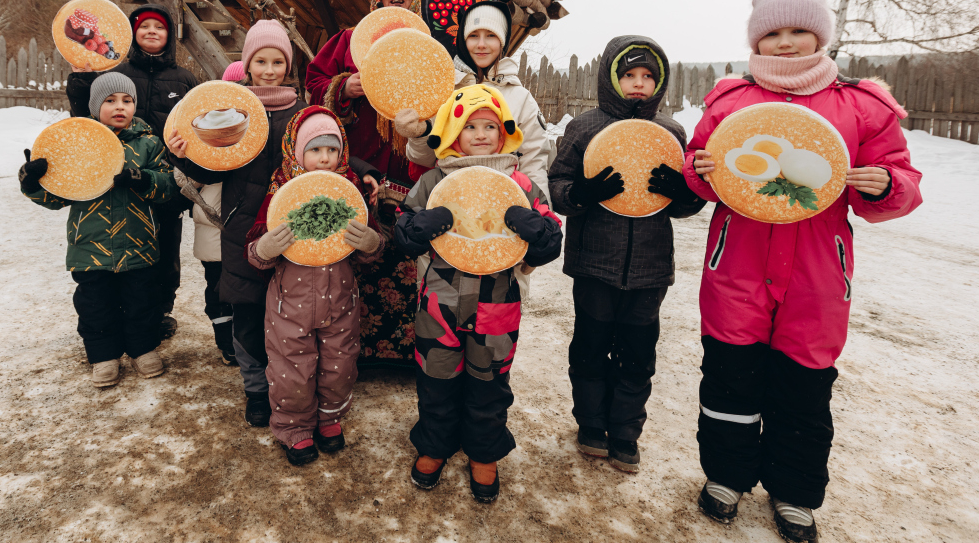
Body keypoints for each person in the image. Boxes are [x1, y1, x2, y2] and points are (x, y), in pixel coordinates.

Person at [685, 0, 922, 542]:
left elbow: (902, 178)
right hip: (737, 266)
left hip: (816, 276)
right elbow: (699, 167)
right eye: (773, 32)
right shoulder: (730, 102)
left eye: (798, 31)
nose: (786, 42)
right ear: (756, 38)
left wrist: (885, 182)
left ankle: (794, 490)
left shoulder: (863, 105)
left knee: (804, 384)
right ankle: (727, 475)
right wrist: (703, 171)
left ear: (821, 34)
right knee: (729, 378)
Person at [393, 85, 563, 503]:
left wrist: (535, 228)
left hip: (498, 303)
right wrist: (420, 225)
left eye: (490, 125)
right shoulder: (434, 180)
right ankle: (435, 445)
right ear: (452, 133)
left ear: (505, 133)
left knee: (490, 382)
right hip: (440, 302)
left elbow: (550, 240)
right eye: (471, 126)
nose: (482, 133)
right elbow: (403, 231)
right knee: (436, 378)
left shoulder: (519, 183)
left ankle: (484, 453)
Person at [546, 36, 705, 473]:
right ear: (612, 79)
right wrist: (583, 192)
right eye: (629, 75)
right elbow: (557, 187)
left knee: (638, 353)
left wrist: (683, 194)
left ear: (659, 84)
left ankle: (625, 432)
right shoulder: (585, 127)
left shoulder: (670, 133)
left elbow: (691, 199)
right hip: (595, 262)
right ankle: (592, 425)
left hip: (650, 268)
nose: (638, 84)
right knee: (592, 346)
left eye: (648, 77)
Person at [167, 21, 307, 428]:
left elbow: (325, 148)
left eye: (277, 61)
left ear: (288, 65)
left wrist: (364, 172)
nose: (269, 69)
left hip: (290, 229)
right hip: (241, 228)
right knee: (247, 315)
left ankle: (288, 389)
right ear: (246, 64)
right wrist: (183, 156)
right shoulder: (230, 109)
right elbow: (210, 170)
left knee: (290, 316)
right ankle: (256, 390)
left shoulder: (301, 111)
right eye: (260, 60)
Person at [305, 0, 427, 365]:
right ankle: (354, 352)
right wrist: (344, 86)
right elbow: (314, 82)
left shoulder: (427, 44)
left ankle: (403, 352)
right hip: (358, 168)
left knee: (404, 253)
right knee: (355, 250)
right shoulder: (348, 40)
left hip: (409, 167)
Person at [20, 73, 180, 388]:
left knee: (141, 300)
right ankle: (103, 354)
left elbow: (167, 186)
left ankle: (142, 348)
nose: (119, 107)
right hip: (90, 245)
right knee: (95, 304)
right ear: (95, 107)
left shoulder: (148, 142)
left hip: (138, 242)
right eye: (110, 100)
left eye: (127, 100)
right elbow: (56, 197)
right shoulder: (77, 144)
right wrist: (32, 182)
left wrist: (142, 178)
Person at [245, 107, 383, 465]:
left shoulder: (351, 190)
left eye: (332, 150)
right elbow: (256, 249)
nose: (325, 159)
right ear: (296, 151)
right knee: (291, 369)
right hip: (289, 306)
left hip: (340, 300)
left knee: (340, 363)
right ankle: (295, 428)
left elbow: (373, 247)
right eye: (315, 150)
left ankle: (330, 418)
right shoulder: (281, 192)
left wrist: (370, 243)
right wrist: (264, 247)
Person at [66, 4, 197, 340]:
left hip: (164, 176)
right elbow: (85, 114)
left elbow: (194, 124)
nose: (152, 31)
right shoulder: (116, 72)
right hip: (116, 178)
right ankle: (117, 317)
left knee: (165, 251)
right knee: (117, 248)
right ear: (133, 33)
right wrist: (80, 78)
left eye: (160, 27)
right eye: (144, 26)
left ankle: (159, 312)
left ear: (169, 36)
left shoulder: (183, 79)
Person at [397, 0, 550, 201]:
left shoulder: (520, 98)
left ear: (502, 40)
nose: (481, 45)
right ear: (462, 39)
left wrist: (541, 216)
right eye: (473, 35)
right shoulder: (444, 90)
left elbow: (534, 162)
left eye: (491, 35)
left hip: (504, 204)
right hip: (451, 200)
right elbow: (424, 158)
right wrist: (419, 134)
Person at [173, 60, 246, 365]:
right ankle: (224, 339)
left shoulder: (257, 132)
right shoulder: (208, 132)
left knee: (244, 287)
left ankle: (242, 339)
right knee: (217, 287)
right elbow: (193, 174)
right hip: (212, 222)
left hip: (243, 223)